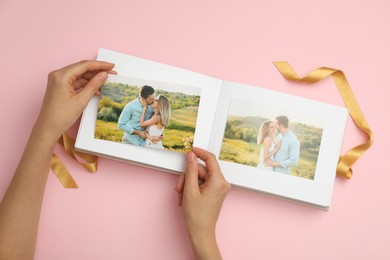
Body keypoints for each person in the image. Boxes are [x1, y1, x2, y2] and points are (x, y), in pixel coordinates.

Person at [0, 60, 230, 260]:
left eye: (154, 102)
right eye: (150, 100)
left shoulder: (151, 112)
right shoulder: (137, 108)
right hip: (135, 142)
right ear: (145, 97)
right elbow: (125, 126)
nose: (151, 103)